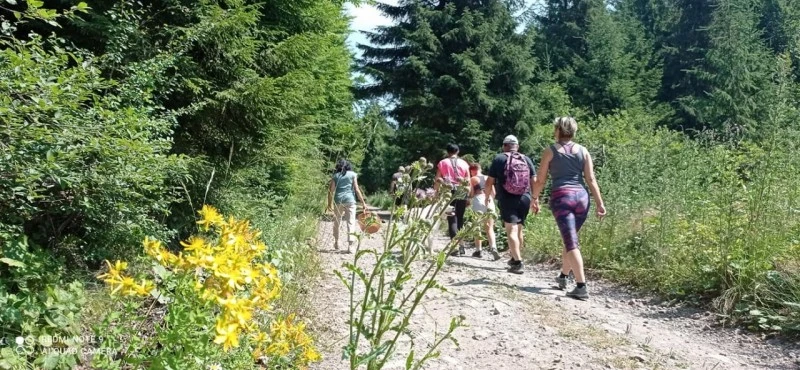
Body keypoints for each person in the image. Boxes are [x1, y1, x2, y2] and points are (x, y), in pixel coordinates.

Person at [532, 117, 607, 299]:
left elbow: (541, 179)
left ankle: (581, 286)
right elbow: (591, 179)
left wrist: (534, 198)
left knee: (571, 242)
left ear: (558, 130)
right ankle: (563, 276)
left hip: (562, 197)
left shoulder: (550, 151)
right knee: (570, 239)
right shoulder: (583, 151)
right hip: (582, 197)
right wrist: (599, 202)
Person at [484, 135, 537, 274]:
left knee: (511, 230)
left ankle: (518, 263)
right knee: (519, 229)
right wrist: (535, 199)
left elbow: (489, 182)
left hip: (508, 198)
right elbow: (534, 180)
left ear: (504, 146)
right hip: (525, 197)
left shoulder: (499, 159)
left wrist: (487, 197)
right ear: (517, 146)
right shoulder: (526, 159)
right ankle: (515, 257)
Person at [434, 143, 470, 256]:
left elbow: (437, 179)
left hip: (448, 191)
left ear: (447, 152)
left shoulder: (442, 163)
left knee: (452, 217)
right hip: (462, 191)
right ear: (458, 151)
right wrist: (468, 195)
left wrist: (436, 193)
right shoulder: (464, 163)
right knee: (460, 218)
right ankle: (462, 246)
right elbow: (468, 181)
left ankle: (454, 247)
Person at [326, 159, 368, 253]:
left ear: (338, 167)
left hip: (338, 201)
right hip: (350, 201)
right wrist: (363, 203)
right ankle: (350, 246)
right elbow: (356, 189)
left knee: (337, 222)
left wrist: (329, 204)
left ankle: (336, 241)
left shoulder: (335, 176)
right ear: (348, 166)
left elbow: (330, 191)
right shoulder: (353, 174)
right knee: (351, 222)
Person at [468, 163, 501, 261]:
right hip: (489, 200)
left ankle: (478, 250)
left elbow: (471, 193)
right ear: (480, 168)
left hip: (478, 199)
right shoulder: (488, 177)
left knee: (477, 226)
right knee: (489, 227)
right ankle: (493, 247)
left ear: (472, 171)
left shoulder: (472, 179)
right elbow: (494, 193)